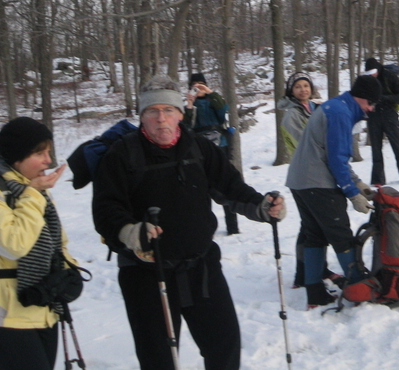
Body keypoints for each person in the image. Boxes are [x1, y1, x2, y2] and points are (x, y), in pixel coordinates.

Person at [92, 75, 286, 370]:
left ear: (181, 114)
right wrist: (131, 232)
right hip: (146, 275)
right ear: (142, 117)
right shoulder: (121, 154)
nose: (161, 119)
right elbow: (106, 209)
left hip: (201, 267)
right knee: (159, 360)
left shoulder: (199, 148)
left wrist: (262, 207)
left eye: (168, 110)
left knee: (224, 347)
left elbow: (230, 187)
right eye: (152, 111)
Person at [0, 117, 78, 370]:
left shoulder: (34, 191)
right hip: (3, 315)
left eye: (48, 152)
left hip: (42, 308)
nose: (48, 160)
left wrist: (70, 273)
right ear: (17, 156)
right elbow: (14, 243)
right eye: (40, 153)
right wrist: (33, 194)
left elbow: (57, 242)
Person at [285, 74, 381, 308]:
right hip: (317, 183)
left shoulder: (336, 106)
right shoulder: (340, 113)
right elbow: (336, 159)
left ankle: (315, 294)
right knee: (341, 235)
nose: (371, 109)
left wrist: (359, 183)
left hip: (300, 181)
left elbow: (335, 155)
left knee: (314, 235)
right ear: (362, 98)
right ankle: (360, 287)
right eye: (371, 103)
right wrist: (352, 194)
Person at [278, 72, 342, 289]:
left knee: (313, 226)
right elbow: (305, 142)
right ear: (291, 91)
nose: (303, 90)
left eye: (306, 85)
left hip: (317, 172)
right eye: (298, 87)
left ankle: (316, 269)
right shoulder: (291, 115)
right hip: (305, 174)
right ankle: (303, 273)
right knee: (311, 227)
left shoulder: (315, 108)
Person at [186, 72, 239, 235]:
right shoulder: (189, 105)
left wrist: (210, 92)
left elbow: (223, 110)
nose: (198, 88)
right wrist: (189, 103)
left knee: (225, 183)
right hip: (199, 148)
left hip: (219, 145)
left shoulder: (213, 100)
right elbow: (186, 125)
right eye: (194, 85)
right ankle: (205, 227)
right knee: (202, 188)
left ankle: (233, 227)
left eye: (200, 84)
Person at [363, 57, 399, 185]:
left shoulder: (389, 76)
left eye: (373, 72)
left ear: (378, 68)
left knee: (398, 146)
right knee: (376, 149)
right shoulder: (365, 81)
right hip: (373, 116)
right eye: (369, 74)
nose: (372, 75)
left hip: (390, 114)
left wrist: (384, 98)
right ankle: (377, 180)